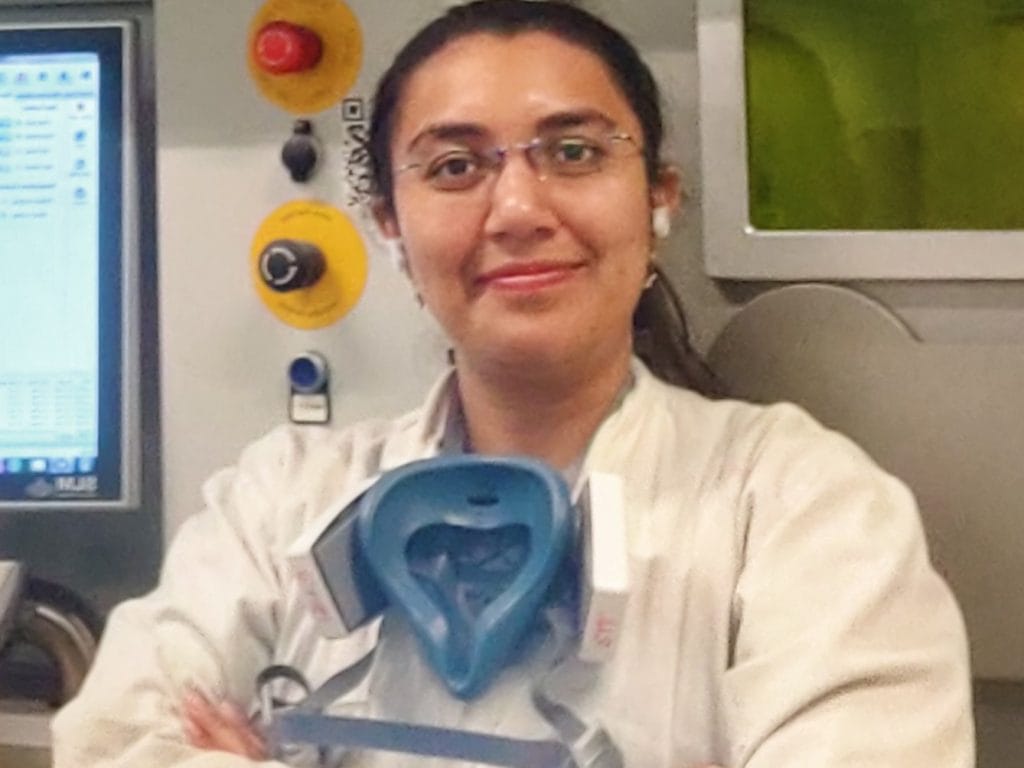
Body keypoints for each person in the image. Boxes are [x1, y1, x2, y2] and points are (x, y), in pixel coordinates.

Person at [52, 1, 974, 766]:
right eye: (455, 167)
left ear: (659, 198)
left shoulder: (802, 508)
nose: (520, 210)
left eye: (573, 153)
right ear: (390, 227)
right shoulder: (275, 501)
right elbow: (115, 741)